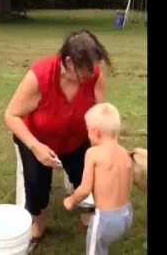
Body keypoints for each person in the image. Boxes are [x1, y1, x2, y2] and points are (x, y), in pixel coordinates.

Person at [4, 29, 112, 242]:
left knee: (90, 174)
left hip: (75, 138)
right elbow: (11, 115)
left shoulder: (93, 75)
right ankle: (38, 223)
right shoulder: (40, 75)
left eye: (94, 68)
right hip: (37, 139)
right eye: (86, 70)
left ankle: (86, 214)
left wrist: (105, 144)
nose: (92, 74)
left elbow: (101, 113)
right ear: (69, 62)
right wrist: (35, 147)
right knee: (36, 184)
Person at [63, 102, 133, 255]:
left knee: (95, 251)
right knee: (104, 245)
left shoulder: (93, 153)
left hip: (105, 220)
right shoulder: (125, 153)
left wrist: (71, 200)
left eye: (87, 131)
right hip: (126, 215)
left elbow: (85, 189)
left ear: (95, 132)